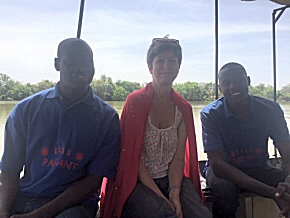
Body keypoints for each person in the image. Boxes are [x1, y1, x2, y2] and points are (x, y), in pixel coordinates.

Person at [0, 38, 121, 218]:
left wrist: (39, 215)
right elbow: (10, 169)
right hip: (24, 195)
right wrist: (3, 210)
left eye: (87, 63)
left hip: (72, 205)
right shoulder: (26, 110)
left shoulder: (107, 119)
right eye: (71, 62)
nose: (81, 69)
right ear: (57, 64)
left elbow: (93, 181)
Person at [101, 37, 212, 218]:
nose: (166, 66)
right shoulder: (136, 102)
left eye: (172, 61)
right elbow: (133, 158)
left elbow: (178, 159)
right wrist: (162, 198)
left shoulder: (183, 108)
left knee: (202, 215)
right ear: (150, 67)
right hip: (137, 181)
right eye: (160, 61)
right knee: (165, 213)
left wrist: (174, 192)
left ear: (178, 67)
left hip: (171, 179)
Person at [201, 62, 290, 218]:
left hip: (257, 166)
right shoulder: (211, 114)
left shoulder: (271, 110)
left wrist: (287, 181)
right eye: (226, 83)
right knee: (225, 190)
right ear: (220, 88)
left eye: (238, 81)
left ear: (248, 81)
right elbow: (218, 165)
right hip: (224, 170)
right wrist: (271, 192)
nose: (232, 87)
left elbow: (287, 153)